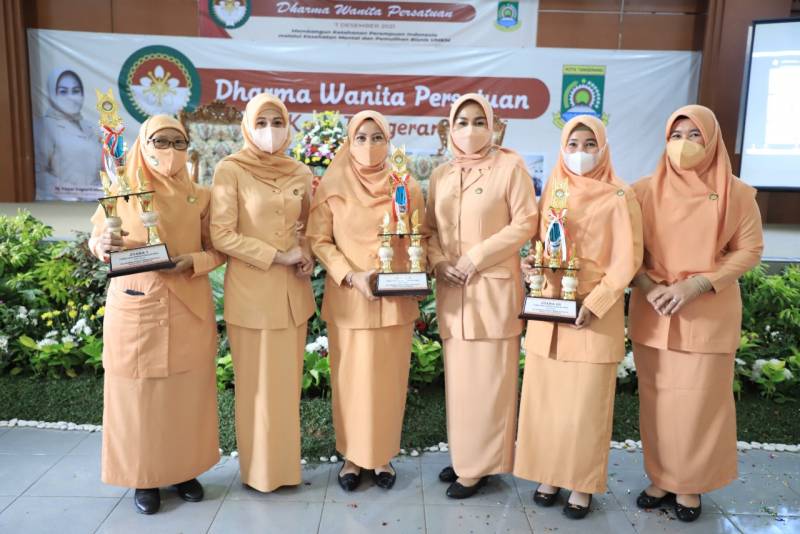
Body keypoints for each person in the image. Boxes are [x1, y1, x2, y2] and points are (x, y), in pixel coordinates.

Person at [629, 104, 763, 522]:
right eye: (676, 135)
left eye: (694, 136)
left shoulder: (736, 193)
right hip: (655, 310)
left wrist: (698, 284)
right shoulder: (642, 191)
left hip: (707, 313)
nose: (683, 144)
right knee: (657, 401)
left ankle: (690, 484)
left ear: (712, 141)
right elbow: (626, 250)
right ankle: (661, 477)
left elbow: (750, 250)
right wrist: (649, 286)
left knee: (700, 404)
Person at [89, 115, 224, 514]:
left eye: (179, 143)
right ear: (143, 144)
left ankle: (185, 471)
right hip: (138, 304)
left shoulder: (201, 196)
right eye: (161, 142)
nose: (171, 151)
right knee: (139, 397)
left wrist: (194, 261)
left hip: (187, 305)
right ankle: (143, 477)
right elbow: (97, 240)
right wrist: (102, 245)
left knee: (186, 393)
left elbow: (218, 248)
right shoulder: (120, 189)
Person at [514, 115, 642, 519]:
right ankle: (549, 475)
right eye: (573, 145)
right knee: (548, 404)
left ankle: (582, 484)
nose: (580, 153)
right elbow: (542, 244)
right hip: (550, 312)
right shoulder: (554, 188)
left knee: (586, 408)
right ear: (562, 148)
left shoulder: (620, 195)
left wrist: (597, 302)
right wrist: (531, 266)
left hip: (591, 317)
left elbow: (628, 259)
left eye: (589, 145)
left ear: (602, 149)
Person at [424, 93, 538, 499]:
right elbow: (429, 230)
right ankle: (467, 457)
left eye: (478, 122)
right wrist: (439, 262)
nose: (470, 130)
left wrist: (476, 256)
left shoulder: (510, 168)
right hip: (453, 291)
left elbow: (526, 222)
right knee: (461, 383)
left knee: (490, 382)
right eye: (462, 122)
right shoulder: (441, 174)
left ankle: (481, 466)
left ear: (493, 127)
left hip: (492, 290)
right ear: (450, 129)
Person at [306, 110, 424, 491]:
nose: (369, 145)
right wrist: (350, 274)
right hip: (350, 298)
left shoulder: (406, 184)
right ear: (349, 142)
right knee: (350, 382)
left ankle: (383, 455)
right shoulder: (333, 185)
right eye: (361, 137)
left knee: (389, 382)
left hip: (393, 302)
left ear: (389, 142)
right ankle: (353, 457)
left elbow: (420, 237)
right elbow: (318, 240)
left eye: (377, 138)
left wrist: (414, 273)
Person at [210, 93, 315, 493]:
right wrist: (277, 256)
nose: (270, 130)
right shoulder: (231, 170)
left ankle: (285, 470)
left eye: (277, 122)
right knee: (256, 388)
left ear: (288, 126)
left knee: (285, 389)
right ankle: (258, 473)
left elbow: (306, 227)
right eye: (261, 123)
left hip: (292, 296)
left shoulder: (299, 171)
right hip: (252, 295)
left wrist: (305, 254)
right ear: (247, 127)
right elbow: (222, 234)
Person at [35, 67, 102, 201]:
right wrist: (74, 192)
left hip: (95, 204)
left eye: (75, 91)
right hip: (62, 206)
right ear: (52, 94)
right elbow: (37, 173)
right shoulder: (45, 126)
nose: (71, 97)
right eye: (63, 92)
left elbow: (101, 169)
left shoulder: (90, 127)